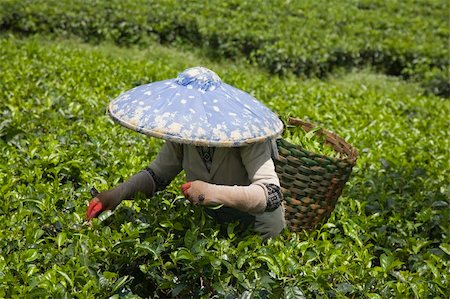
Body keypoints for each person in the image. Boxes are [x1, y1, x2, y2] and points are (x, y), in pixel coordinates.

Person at [86, 67, 286, 239]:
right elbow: (157, 176)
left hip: (257, 229)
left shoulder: (246, 133)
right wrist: (117, 194)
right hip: (211, 226)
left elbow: (271, 195)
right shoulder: (185, 131)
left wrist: (213, 192)